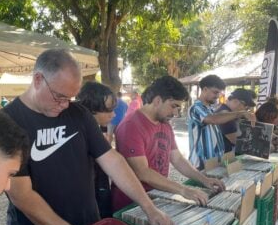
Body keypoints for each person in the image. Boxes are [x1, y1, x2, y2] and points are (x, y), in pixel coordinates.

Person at [2, 49, 174, 225]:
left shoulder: (79, 114)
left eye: (70, 98)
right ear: (38, 80)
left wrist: (149, 208)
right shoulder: (7, 122)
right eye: (60, 96)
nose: (65, 105)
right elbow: (22, 195)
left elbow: (112, 160)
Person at [112, 76, 225, 210]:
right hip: (132, 203)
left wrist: (204, 179)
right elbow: (142, 172)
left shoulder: (164, 123)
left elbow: (177, 158)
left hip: (157, 195)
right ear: (158, 100)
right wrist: (183, 190)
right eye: (174, 106)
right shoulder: (131, 126)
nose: (176, 113)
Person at [188, 75, 255, 169]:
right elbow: (213, 119)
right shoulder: (195, 108)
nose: (217, 96)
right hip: (201, 162)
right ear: (205, 89)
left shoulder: (210, 108)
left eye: (219, 93)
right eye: (215, 92)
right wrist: (240, 113)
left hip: (214, 161)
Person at [76, 81, 117, 217]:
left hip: (99, 192)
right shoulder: (79, 135)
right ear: (92, 109)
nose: (113, 115)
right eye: (108, 110)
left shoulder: (97, 129)